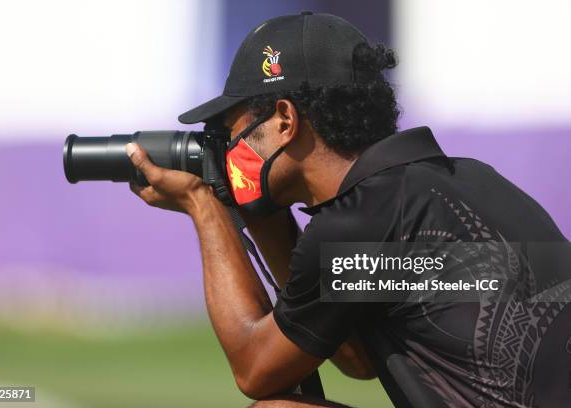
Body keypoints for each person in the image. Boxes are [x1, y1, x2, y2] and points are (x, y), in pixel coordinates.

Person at [125, 12, 571, 408]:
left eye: (233, 130)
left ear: (284, 119)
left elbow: (255, 368)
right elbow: (357, 357)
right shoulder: (465, 178)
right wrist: (262, 213)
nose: (229, 150)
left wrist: (202, 205)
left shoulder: (359, 221)